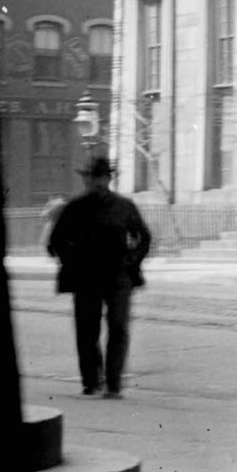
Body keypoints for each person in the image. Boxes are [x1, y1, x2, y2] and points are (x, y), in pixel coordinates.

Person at [47, 157, 153, 398]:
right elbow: (56, 241)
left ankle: (113, 384)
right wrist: (73, 260)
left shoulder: (124, 206)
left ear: (108, 179)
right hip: (86, 277)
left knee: (118, 327)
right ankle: (91, 381)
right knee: (87, 330)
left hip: (118, 276)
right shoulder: (75, 208)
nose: (97, 182)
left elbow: (143, 237)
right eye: (93, 177)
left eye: (102, 177)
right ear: (87, 179)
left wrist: (131, 260)